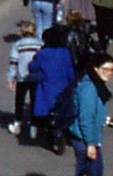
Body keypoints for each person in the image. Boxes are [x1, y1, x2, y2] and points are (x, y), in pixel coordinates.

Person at [67, 52, 113, 176]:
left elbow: (94, 113)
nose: (109, 73)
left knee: (93, 175)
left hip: (88, 138)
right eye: (105, 69)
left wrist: (104, 119)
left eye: (112, 70)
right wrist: (91, 144)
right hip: (85, 140)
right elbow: (86, 118)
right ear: (95, 68)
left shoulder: (95, 85)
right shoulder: (89, 88)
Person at [25, 24, 78, 155]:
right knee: (62, 110)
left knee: (48, 112)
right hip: (63, 87)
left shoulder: (43, 53)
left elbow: (32, 67)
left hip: (47, 87)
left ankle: (54, 135)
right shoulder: (66, 53)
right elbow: (71, 71)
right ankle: (62, 133)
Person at [8, 18, 44, 143]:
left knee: (20, 100)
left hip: (22, 76)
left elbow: (14, 62)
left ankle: (18, 123)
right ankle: (34, 127)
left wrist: (11, 78)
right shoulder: (40, 44)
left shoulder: (18, 45)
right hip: (35, 76)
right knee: (35, 100)